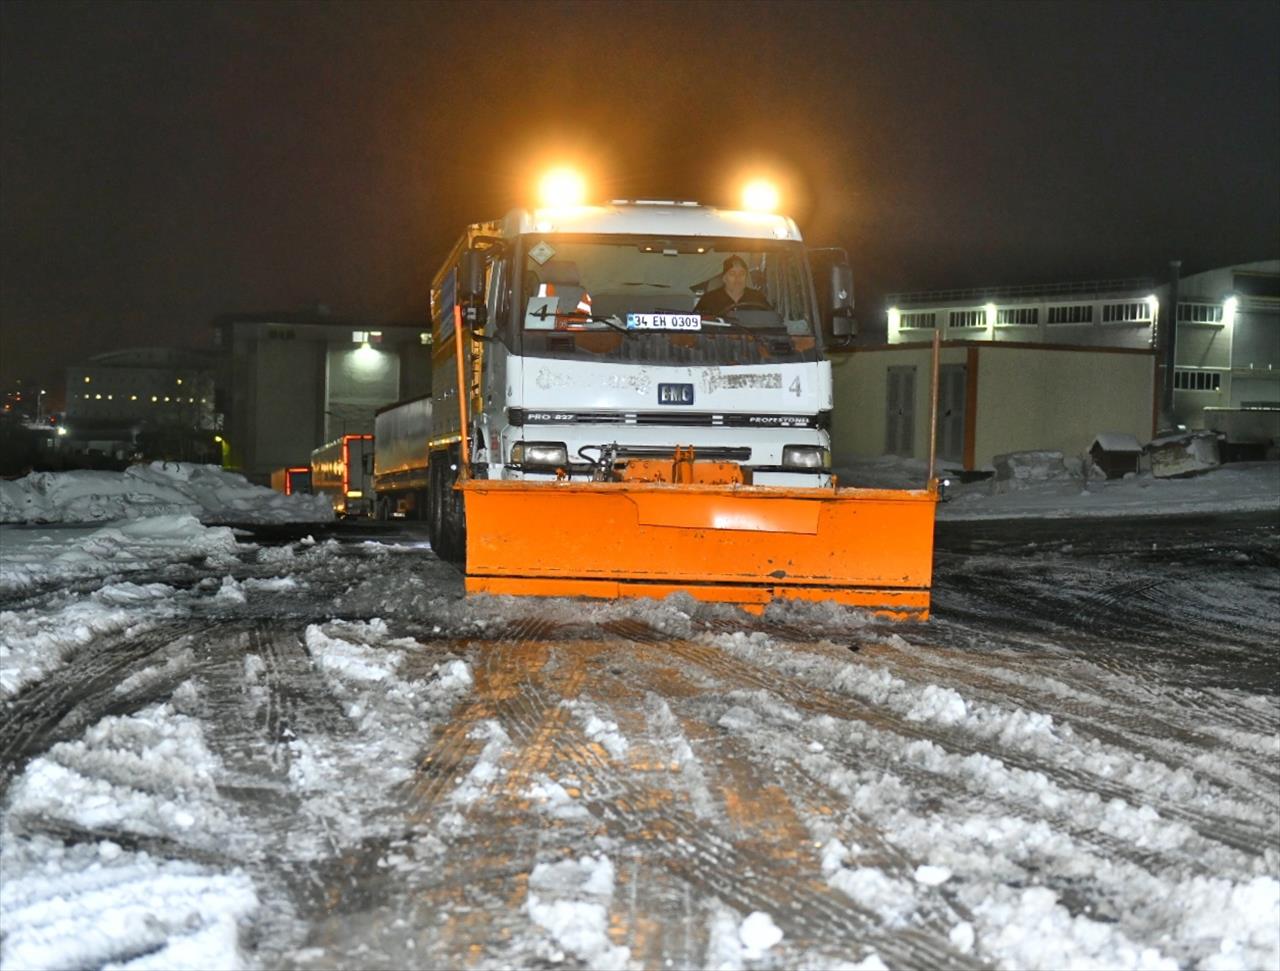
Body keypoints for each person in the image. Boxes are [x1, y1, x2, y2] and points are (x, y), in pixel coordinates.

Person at [694, 255, 770, 317]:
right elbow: (697, 326)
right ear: (724, 278)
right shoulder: (708, 300)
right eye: (732, 273)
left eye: (742, 273)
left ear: (746, 277)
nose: (738, 277)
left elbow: (772, 321)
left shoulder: (758, 298)